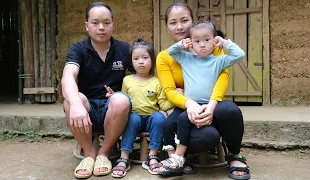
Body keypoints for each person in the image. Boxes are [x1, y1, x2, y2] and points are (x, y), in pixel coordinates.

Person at [156, 2, 251, 180]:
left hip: (212, 102)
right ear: (167, 27)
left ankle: (235, 154)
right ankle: (176, 158)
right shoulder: (168, 56)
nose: (179, 26)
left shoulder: (213, 48)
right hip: (186, 105)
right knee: (207, 136)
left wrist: (211, 107)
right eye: (173, 22)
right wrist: (189, 104)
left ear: (192, 22)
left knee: (230, 110)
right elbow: (169, 90)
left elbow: (222, 79)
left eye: (185, 20)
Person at [61, 2, 131, 179]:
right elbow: (68, 76)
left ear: (113, 24)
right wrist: (76, 104)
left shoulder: (124, 49)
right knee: (71, 99)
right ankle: (89, 153)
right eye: (95, 23)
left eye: (106, 23)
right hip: (86, 112)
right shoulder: (78, 49)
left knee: (121, 99)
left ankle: (104, 153)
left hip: (114, 112)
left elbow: (145, 71)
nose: (101, 27)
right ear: (86, 25)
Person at [111, 38, 174, 178]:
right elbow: (123, 99)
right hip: (134, 118)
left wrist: (174, 98)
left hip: (152, 118)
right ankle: (124, 157)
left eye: (145, 58)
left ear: (152, 60)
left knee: (159, 116)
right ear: (131, 62)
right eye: (136, 58)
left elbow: (163, 104)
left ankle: (152, 156)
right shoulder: (127, 80)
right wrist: (113, 96)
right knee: (132, 118)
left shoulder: (157, 82)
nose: (141, 61)